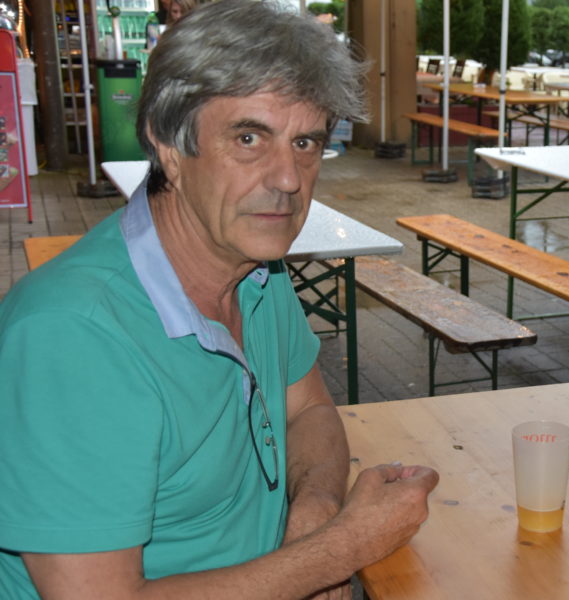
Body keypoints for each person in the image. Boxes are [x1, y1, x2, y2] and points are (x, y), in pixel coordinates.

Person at [0, 1, 439, 598]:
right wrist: (341, 549)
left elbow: (307, 410)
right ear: (168, 146)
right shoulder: (72, 336)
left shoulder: (255, 267)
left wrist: (314, 510)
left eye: (306, 142)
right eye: (249, 137)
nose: (288, 179)